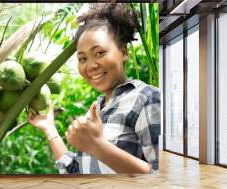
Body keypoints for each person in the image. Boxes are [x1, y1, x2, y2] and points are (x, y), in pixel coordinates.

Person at [28, 3, 160, 174]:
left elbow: (161, 177)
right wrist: (49, 128)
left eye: (99, 53)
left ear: (123, 52)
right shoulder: (97, 109)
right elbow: (76, 172)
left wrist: (99, 146)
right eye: (82, 59)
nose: (90, 66)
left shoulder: (146, 98)